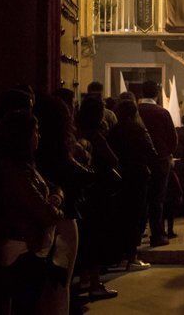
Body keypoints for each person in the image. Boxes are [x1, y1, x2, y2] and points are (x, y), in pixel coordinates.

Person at [0, 110, 65, 315]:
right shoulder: (14, 171)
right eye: (36, 131)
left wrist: (56, 197)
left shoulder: (28, 165)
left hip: (33, 245)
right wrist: (55, 207)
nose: (38, 136)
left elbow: (54, 187)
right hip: (24, 248)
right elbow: (44, 212)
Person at [34, 95, 88, 315]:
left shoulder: (32, 152)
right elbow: (83, 178)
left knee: (42, 289)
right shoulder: (62, 153)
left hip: (41, 221)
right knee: (59, 286)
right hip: (63, 220)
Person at [74, 96, 120, 301]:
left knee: (87, 239)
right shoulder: (97, 135)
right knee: (96, 238)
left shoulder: (78, 130)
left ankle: (84, 278)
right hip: (98, 191)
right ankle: (94, 283)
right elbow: (112, 159)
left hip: (84, 192)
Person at [108, 99, 157, 271]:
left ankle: (120, 256)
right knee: (137, 216)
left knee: (121, 216)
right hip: (138, 176)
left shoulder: (113, 130)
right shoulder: (139, 130)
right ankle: (132, 257)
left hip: (120, 177)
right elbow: (151, 152)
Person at [137, 80, 178, 247]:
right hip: (160, 161)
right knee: (157, 199)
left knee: (140, 198)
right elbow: (173, 139)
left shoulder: (136, 111)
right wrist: (166, 154)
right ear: (156, 94)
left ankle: (138, 234)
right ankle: (157, 234)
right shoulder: (162, 113)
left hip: (139, 161)